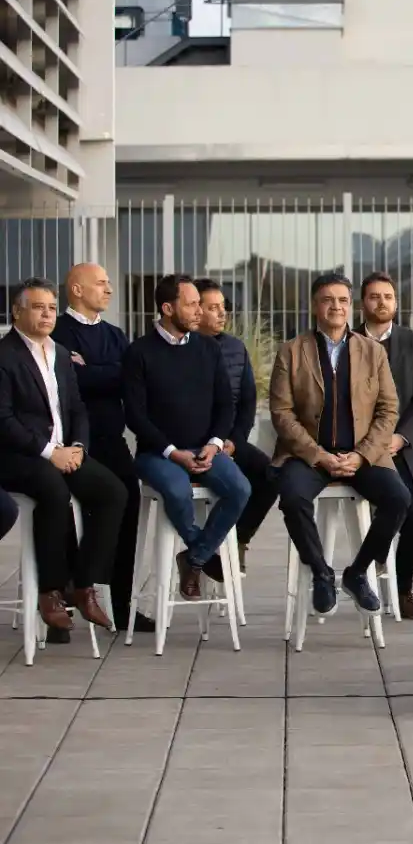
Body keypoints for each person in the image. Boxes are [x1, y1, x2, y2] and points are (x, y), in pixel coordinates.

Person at [270, 273, 410, 617]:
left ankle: (357, 572)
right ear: (315, 306)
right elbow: (282, 414)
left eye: (343, 300)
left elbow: (388, 408)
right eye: (328, 300)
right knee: (292, 497)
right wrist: (319, 456)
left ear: (351, 306)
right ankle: (321, 572)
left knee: (398, 499)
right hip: (308, 456)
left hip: (362, 455)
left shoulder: (372, 351)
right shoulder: (291, 351)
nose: (336, 306)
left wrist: (361, 456)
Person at [0, 278, 125, 633]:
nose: (47, 314)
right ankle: (50, 591)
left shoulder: (58, 352)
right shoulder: (4, 355)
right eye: (38, 307)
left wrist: (78, 448)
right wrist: (49, 452)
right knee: (53, 489)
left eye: (52, 307)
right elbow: (3, 419)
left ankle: (84, 586)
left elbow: (77, 408)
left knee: (113, 492)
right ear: (17, 311)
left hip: (63, 450)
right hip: (17, 457)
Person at [123, 275, 252, 600]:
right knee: (178, 492)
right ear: (168, 308)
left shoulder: (209, 348)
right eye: (192, 304)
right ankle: (204, 554)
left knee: (240, 489)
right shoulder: (139, 352)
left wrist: (215, 444)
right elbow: (135, 416)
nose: (199, 311)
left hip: (206, 448)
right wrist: (172, 452)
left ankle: (193, 558)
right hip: (158, 454)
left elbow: (226, 404)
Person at [51, 262, 154, 634]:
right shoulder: (58, 331)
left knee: (127, 502)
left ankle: (122, 606)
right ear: (76, 289)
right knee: (59, 509)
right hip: (68, 444)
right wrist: (108, 371)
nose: (109, 289)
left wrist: (93, 370)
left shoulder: (115, 334)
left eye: (110, 282)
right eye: (101, 283)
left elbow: (130, 381)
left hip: (111, 440)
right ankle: (58, 607)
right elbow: (70, 383)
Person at [357, 272, 413, 621]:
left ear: (396, 302)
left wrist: (400, 437)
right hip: (358, 448)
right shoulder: (346, 341)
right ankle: (364, 572)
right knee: (377, 512)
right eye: (374, 296)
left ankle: (403, 590)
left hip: (401, 447)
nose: (382, 302)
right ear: (363, 303)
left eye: (388, 296)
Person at [193, 278, 279, 575]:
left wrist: (234, 442)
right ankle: (201, 549)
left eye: (223, 307)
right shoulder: (183, 348)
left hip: (230, 443)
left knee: (269, 475)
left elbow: (247, 403)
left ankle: (239, 538)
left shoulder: (235, 349)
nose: (221, 313)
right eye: (212, 307)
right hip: (192, 446)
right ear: (195, 309)